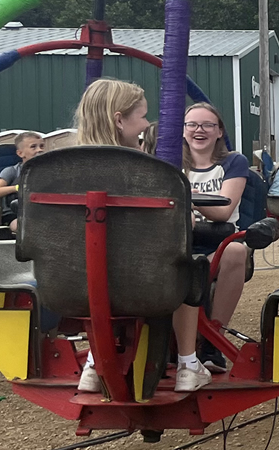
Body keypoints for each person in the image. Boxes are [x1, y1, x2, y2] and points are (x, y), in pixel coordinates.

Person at [74, 78, 211, 393]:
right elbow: (172, 229)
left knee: (102, 270)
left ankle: (95, 362)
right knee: (188, 266)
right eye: (141, 116)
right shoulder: (143, 170)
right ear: (119, 119)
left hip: (73, 285)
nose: (147, 124)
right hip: (142, 285)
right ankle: (189, 363)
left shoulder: (58, 168)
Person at [182, 102, 249, 373]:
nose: (199, 130)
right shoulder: (170, 162)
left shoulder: (233, 162)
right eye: (192, 125)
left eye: (207, 125)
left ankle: (213, 340)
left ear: (219, 131)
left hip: (216, 243)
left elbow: (224, 211)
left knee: (236, 251)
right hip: (178, 243)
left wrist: (185, 196)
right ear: (183, 130)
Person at [0, 131, 45, 231]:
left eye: (42, 146)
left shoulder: (49, 171)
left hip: (40, 212)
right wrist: (17, 188)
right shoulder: (12, 171)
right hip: (14, 214)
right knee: (22, 226)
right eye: (33, 147)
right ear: (20, 153)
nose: (39, 150)